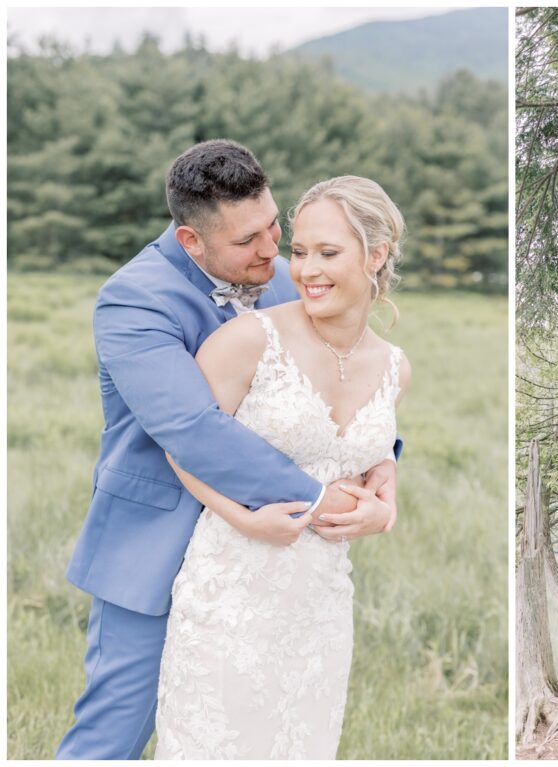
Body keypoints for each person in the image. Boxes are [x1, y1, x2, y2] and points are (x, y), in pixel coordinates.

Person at [57, 141, 400, 760]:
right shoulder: (133, 300)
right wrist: (320, 499)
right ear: (192, 241)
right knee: (115, 737)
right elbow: (192, 428)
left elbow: (337, 386)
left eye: (275, 227)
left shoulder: (279, 281)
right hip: (156, 548)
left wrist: (384, 465)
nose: (274, 251)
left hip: (268, 567)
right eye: (249, 241)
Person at [153, 175, 410, 758]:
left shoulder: (396, 368)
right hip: (230, 594)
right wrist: (242, 520)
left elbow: (373, 465)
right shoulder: (250, 339)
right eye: (299, 251)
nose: (307, 269)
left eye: (328, 253)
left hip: (321, 604)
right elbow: (183, 444)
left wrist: (384, 510)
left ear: (376, 255)